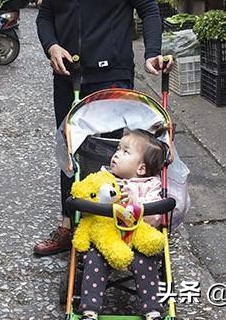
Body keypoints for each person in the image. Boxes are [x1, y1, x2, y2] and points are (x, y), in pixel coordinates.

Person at [34, 0, 171, 256]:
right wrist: (52, 46)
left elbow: (149, 7)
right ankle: (69, 224)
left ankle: (115, 228)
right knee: (71, 148)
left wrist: (152, 53)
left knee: (114, 154)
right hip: (68, 77)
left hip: (110, 77)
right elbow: (46, 16)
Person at [78, 127, 168, 320]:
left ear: (141, 168)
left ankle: (152, 309)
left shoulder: (149, 185)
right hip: (106, 239)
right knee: (94, 259)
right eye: (118, 149)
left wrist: (134, 203)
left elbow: (155, 217)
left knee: (146, 262)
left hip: (137, 241)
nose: (116, 154)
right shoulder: (104, 178)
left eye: (125, 151)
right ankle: (89, 310)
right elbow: (87, 200)